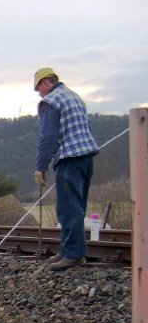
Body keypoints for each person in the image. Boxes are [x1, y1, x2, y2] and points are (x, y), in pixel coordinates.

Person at [33, 67, 99, 271]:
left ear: (45, 82)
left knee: (68, 209)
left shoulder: (50, 101)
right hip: (86, 158)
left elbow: (48, 137)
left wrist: (40, 167)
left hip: (69, 159)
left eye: (38, 89)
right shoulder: (74, 96)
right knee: (77, 207)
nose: (39, 93)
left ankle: (73, 255)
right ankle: (67, 249)